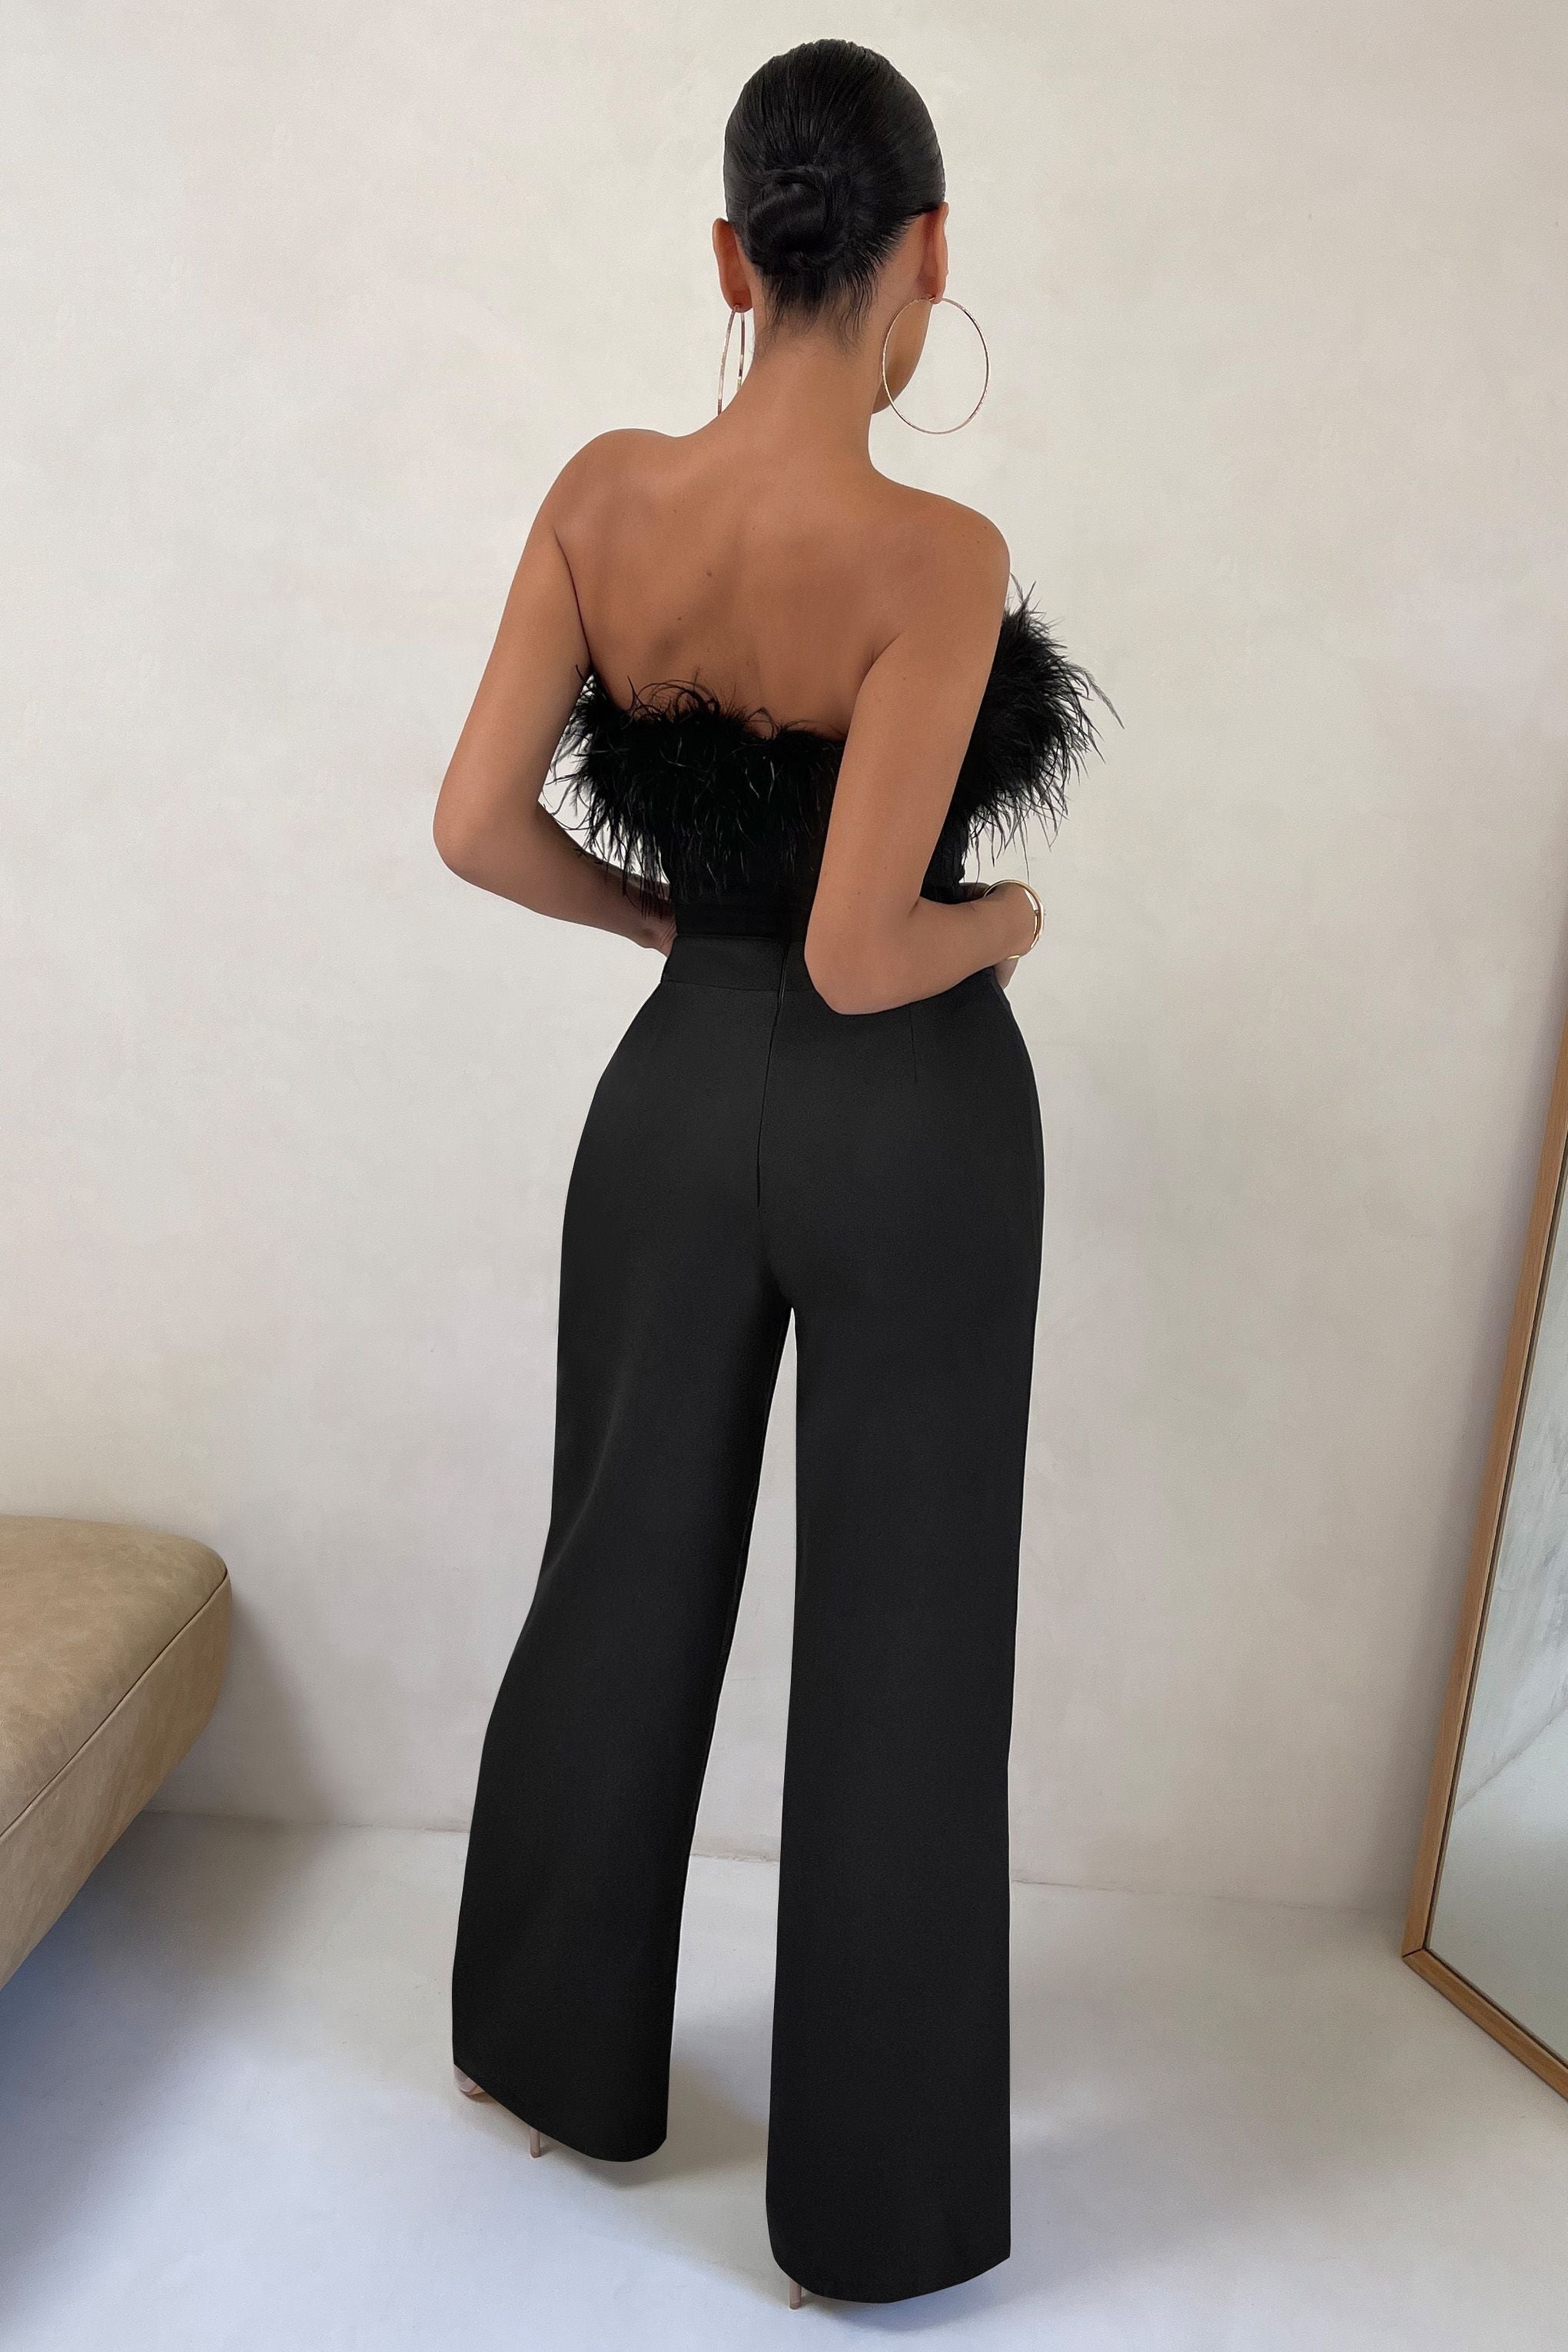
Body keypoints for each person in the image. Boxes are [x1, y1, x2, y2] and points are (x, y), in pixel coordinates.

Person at [434, 36, 1105, 2308]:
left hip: (670, 1096)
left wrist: (653, 926)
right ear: (929, 256)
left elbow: (474, 823)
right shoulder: (937, 553)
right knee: (909, 1637)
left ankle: (547, 2051)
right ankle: (870, 2221)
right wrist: (1008, 924)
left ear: (731, 255)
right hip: (904, 1120)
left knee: (617, 1561)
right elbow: (863, 946)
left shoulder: (601, 497)